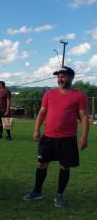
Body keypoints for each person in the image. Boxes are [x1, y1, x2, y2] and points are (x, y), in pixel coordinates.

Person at [23, 66, 89, 208]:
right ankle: (37, 192)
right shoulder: (49, 94)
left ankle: (59, 195)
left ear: (71, 77)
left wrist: (84, 137)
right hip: (48, 137)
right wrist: (36, 129)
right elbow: (42, 112)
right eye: (58, 76)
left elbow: (84, 117)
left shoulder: (79, 95)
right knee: (41, 164)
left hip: (67, 138)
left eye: (63, 76)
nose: (60, 79)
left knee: (65, 167)